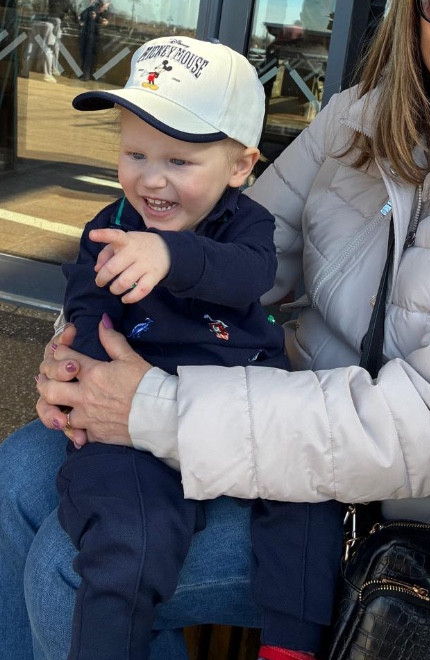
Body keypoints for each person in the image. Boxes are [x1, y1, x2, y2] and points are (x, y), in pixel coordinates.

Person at [0, 0, 430, 658]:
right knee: (18, 474)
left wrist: (151, 407)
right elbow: (234, 256)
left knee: (73, 570)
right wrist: (84, 354)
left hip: (421, 527)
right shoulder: (360, 118)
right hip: (287, 448)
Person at [61, 36, 342, 660]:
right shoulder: (111, 224)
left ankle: (290, 645)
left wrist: (170, 254)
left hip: (241, 403)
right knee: (123, 536)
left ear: (240, 167)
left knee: (308, 499)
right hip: (133, 416)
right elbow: (87, 301)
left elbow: (248, 275)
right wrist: (73, 359)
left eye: (180, 161)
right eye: (135, 153)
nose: (151, 178)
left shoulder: (248, 224)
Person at [78, 0, 109, 81]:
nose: (102, 8)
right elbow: (81, 17)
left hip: (96, 37)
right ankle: (86, 75)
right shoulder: (91, 9)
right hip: (89, 35)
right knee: (86, 56)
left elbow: (105, 22)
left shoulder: (103, 12)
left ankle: (89, 75)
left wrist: (103, 21)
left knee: (92, 56)